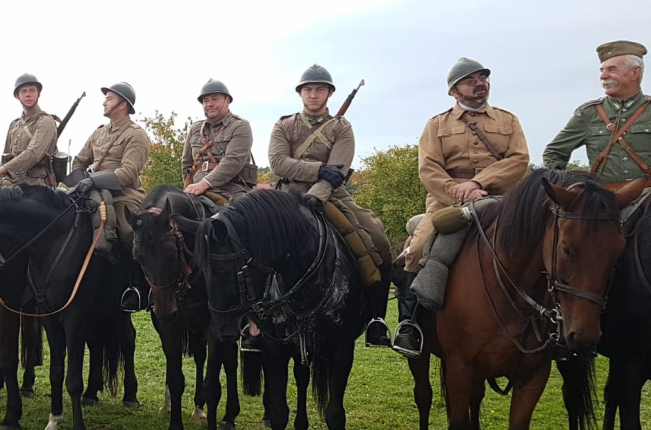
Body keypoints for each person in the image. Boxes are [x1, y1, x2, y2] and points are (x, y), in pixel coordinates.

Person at [394, 57, 529, 356]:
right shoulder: (436, 124)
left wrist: (480, 183)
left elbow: (519, 160)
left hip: (500, 201)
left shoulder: (509, 121)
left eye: (483, 78)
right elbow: (428, 168)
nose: (479, 83)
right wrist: (457, 190)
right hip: (446, 201)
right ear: (453, 91)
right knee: (417, 250)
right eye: (471, 80)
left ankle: (549, 324)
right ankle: (409, 324)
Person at [268, 64, 394, 347]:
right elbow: (278, 163)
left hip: (330, 196)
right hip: (287, 196)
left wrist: (318, 191)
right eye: (308, 90)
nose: (313, 95)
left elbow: (337, 171)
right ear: (301, 94)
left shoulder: (341, 127)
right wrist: (319, 170)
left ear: (329, 94)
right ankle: (250, 319)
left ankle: (377, 318)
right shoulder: (284, 125)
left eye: (319, 89)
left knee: (377, 238)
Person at [72, 83, 151, 311]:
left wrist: (93, 180)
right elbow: (79, 161)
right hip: (92, 193)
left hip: (124, 195)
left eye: (109, 98)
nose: (104, 102)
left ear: (123, 104)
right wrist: (82, 184)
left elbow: (127, 174)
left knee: (128, 233)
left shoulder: (136, 135)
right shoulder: (98, 133)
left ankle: (137, 287)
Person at [544, 40, 650, 187]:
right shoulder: (588, 113)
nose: (603, 76)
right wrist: (563, 184)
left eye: (612, 69)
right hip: (603, 201)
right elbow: (554, 152)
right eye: (602, 70)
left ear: (635, 72)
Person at [181, 79, 256, 203]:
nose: (209, 104)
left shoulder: (240, 126)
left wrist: (204, 184)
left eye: (215, 99)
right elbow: (186, 163)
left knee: (245, 216)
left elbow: (233, 162)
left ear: (227, 100)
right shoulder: (195, 129)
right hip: (196, 190)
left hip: (231, 190)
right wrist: (189, 188)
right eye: (205, 101)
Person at [0, 74, 58, 186]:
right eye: (23, 91)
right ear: (17, 96)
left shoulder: (45, 121)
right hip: (13, 181)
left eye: (32, 90)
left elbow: (33, 153)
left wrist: (0, 170)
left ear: (38, 93)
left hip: (37, 184)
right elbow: (6, 155)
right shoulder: (14, 125)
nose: (28, 94)